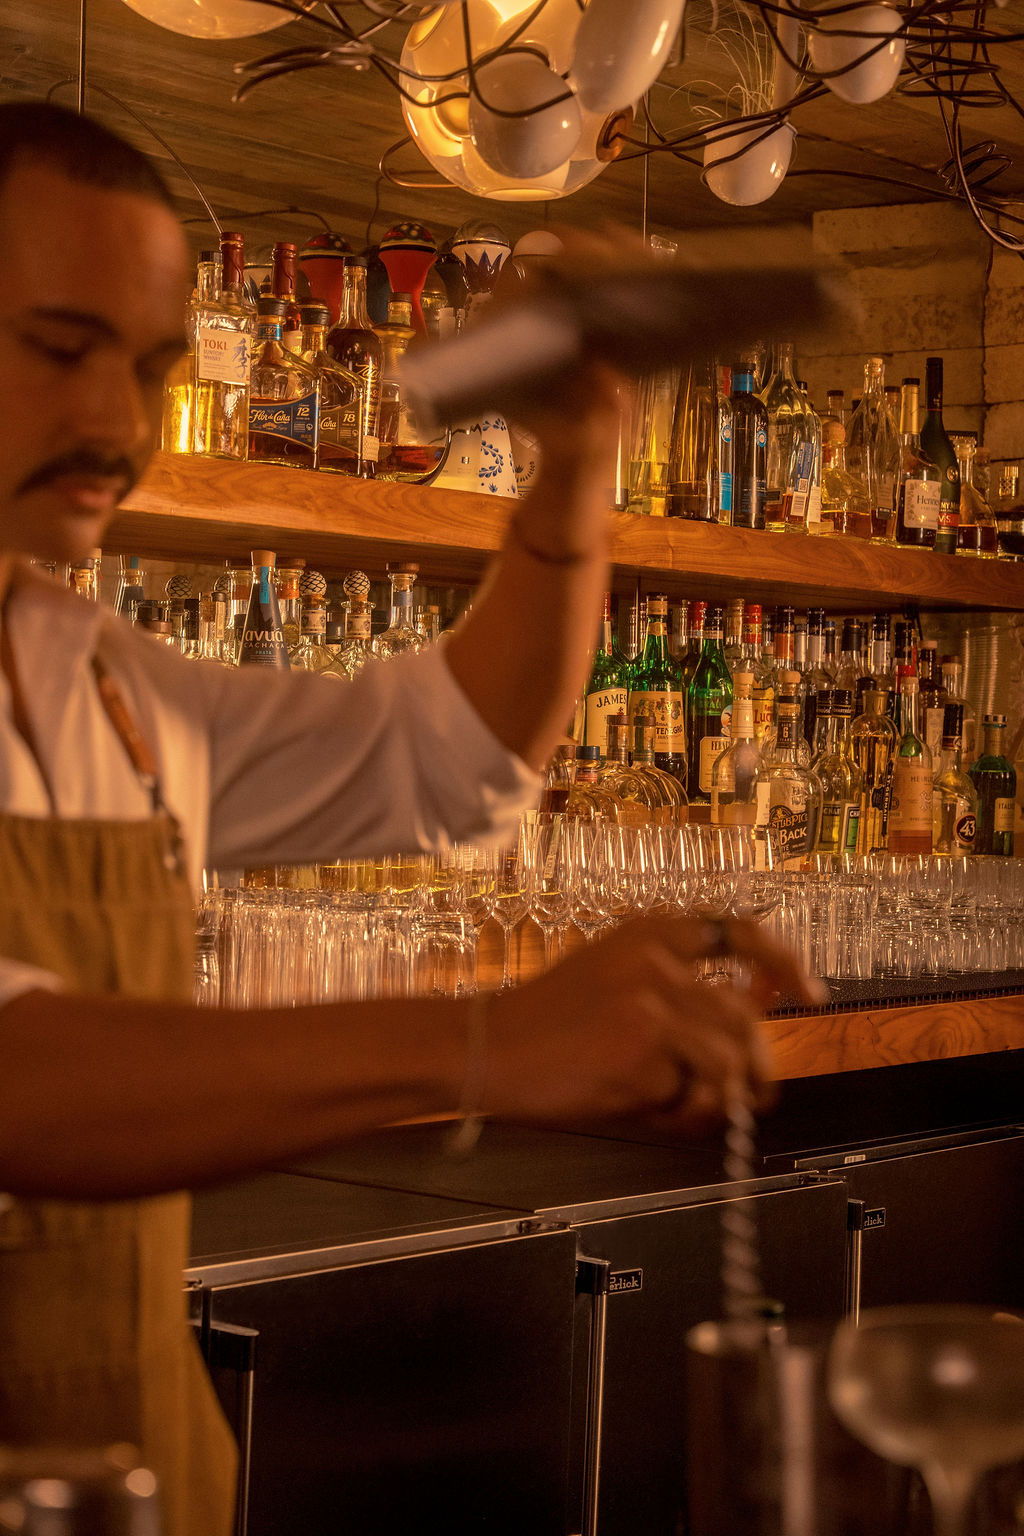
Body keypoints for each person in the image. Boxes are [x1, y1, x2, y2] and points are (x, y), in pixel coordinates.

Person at [0, 102, 820, 1535]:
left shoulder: (98, 687)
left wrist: (572, 472)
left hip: (136, 1489)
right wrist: (491, 1040)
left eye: (147, 368)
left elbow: (446, 758)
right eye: (61, 350)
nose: (118, 425)